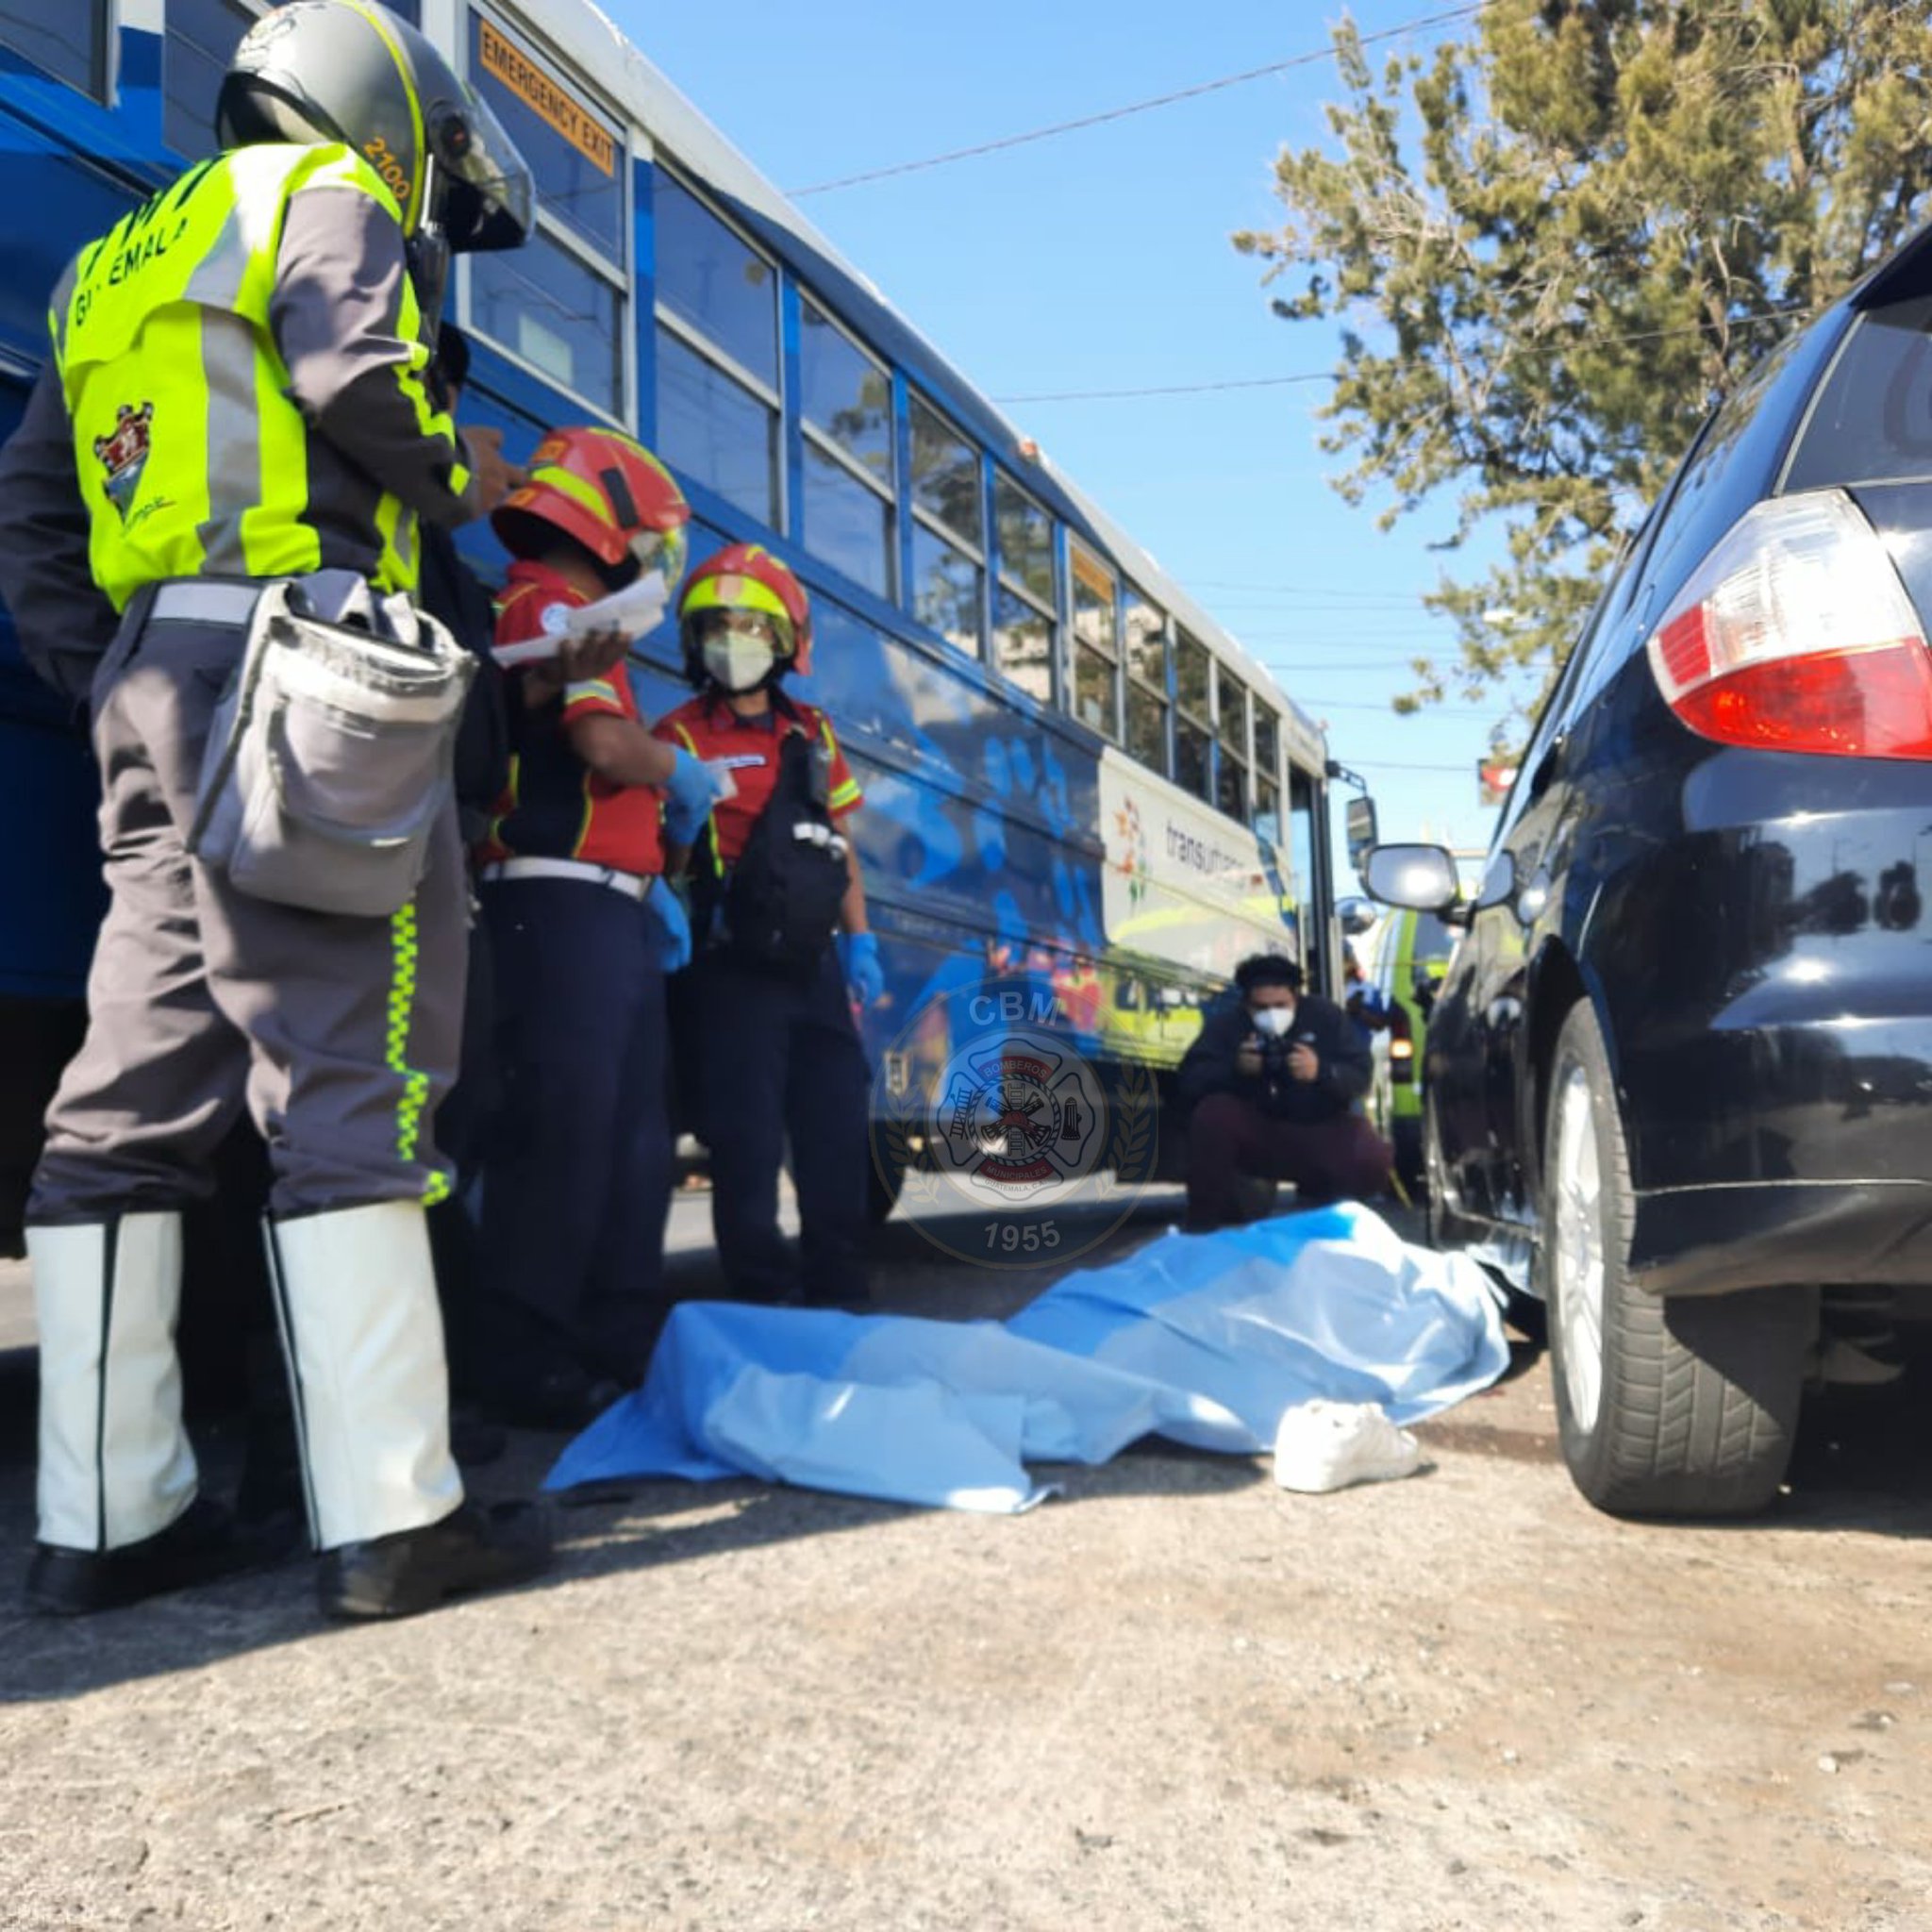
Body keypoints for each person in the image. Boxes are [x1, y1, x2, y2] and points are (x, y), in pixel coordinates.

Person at [0, 0, 550, 1621]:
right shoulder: (324, 192)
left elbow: (31, 509)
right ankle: (390, 1518)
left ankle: (105, 1520)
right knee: (353, 1054)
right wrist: (462, 481)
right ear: (371, 107)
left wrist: (109, 664)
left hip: (147, 682)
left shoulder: (111, 262)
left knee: (130, 1085)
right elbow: (354, 366)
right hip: (300, 664)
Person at [473, 426, 720, 1425]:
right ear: (616, 524)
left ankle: (610, 1339)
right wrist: (678, 770)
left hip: (600, 903)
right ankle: (529, 1353)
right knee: (567, 1134)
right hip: (556, 900)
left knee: (627, 1136)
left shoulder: (552, 602)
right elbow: (602, 740)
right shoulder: (553, 603)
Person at [654, 545, 882, 1307]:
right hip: (730, 968)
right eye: (716, 626)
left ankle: (840, 1289)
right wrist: (681, 837)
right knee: (745, 1143)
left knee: (835, 1130)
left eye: (750, 624)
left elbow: (841, 842)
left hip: (814, 969)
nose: (733, 639)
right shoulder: (678, 734)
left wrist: (860, 940)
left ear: (783, 639)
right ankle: (761, 1297)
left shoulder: (813, 734)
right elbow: (669, 852)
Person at [1176, 953, 1391, 1230]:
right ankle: (1202, 1226)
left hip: (1318, 1127)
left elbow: (1360, 1074)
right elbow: (1190, 1078)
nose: (1271, 1015)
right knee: (1213, 1114)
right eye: (1261, 1008)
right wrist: (1235, 1070)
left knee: (1369, 1150)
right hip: (1258, 1129)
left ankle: (1347, 1215)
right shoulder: (1228, 1025)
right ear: (1246, 1004)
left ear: (1296, 998)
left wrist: (1321, 1072)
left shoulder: (1325, 1017)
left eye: (1280, 1005)